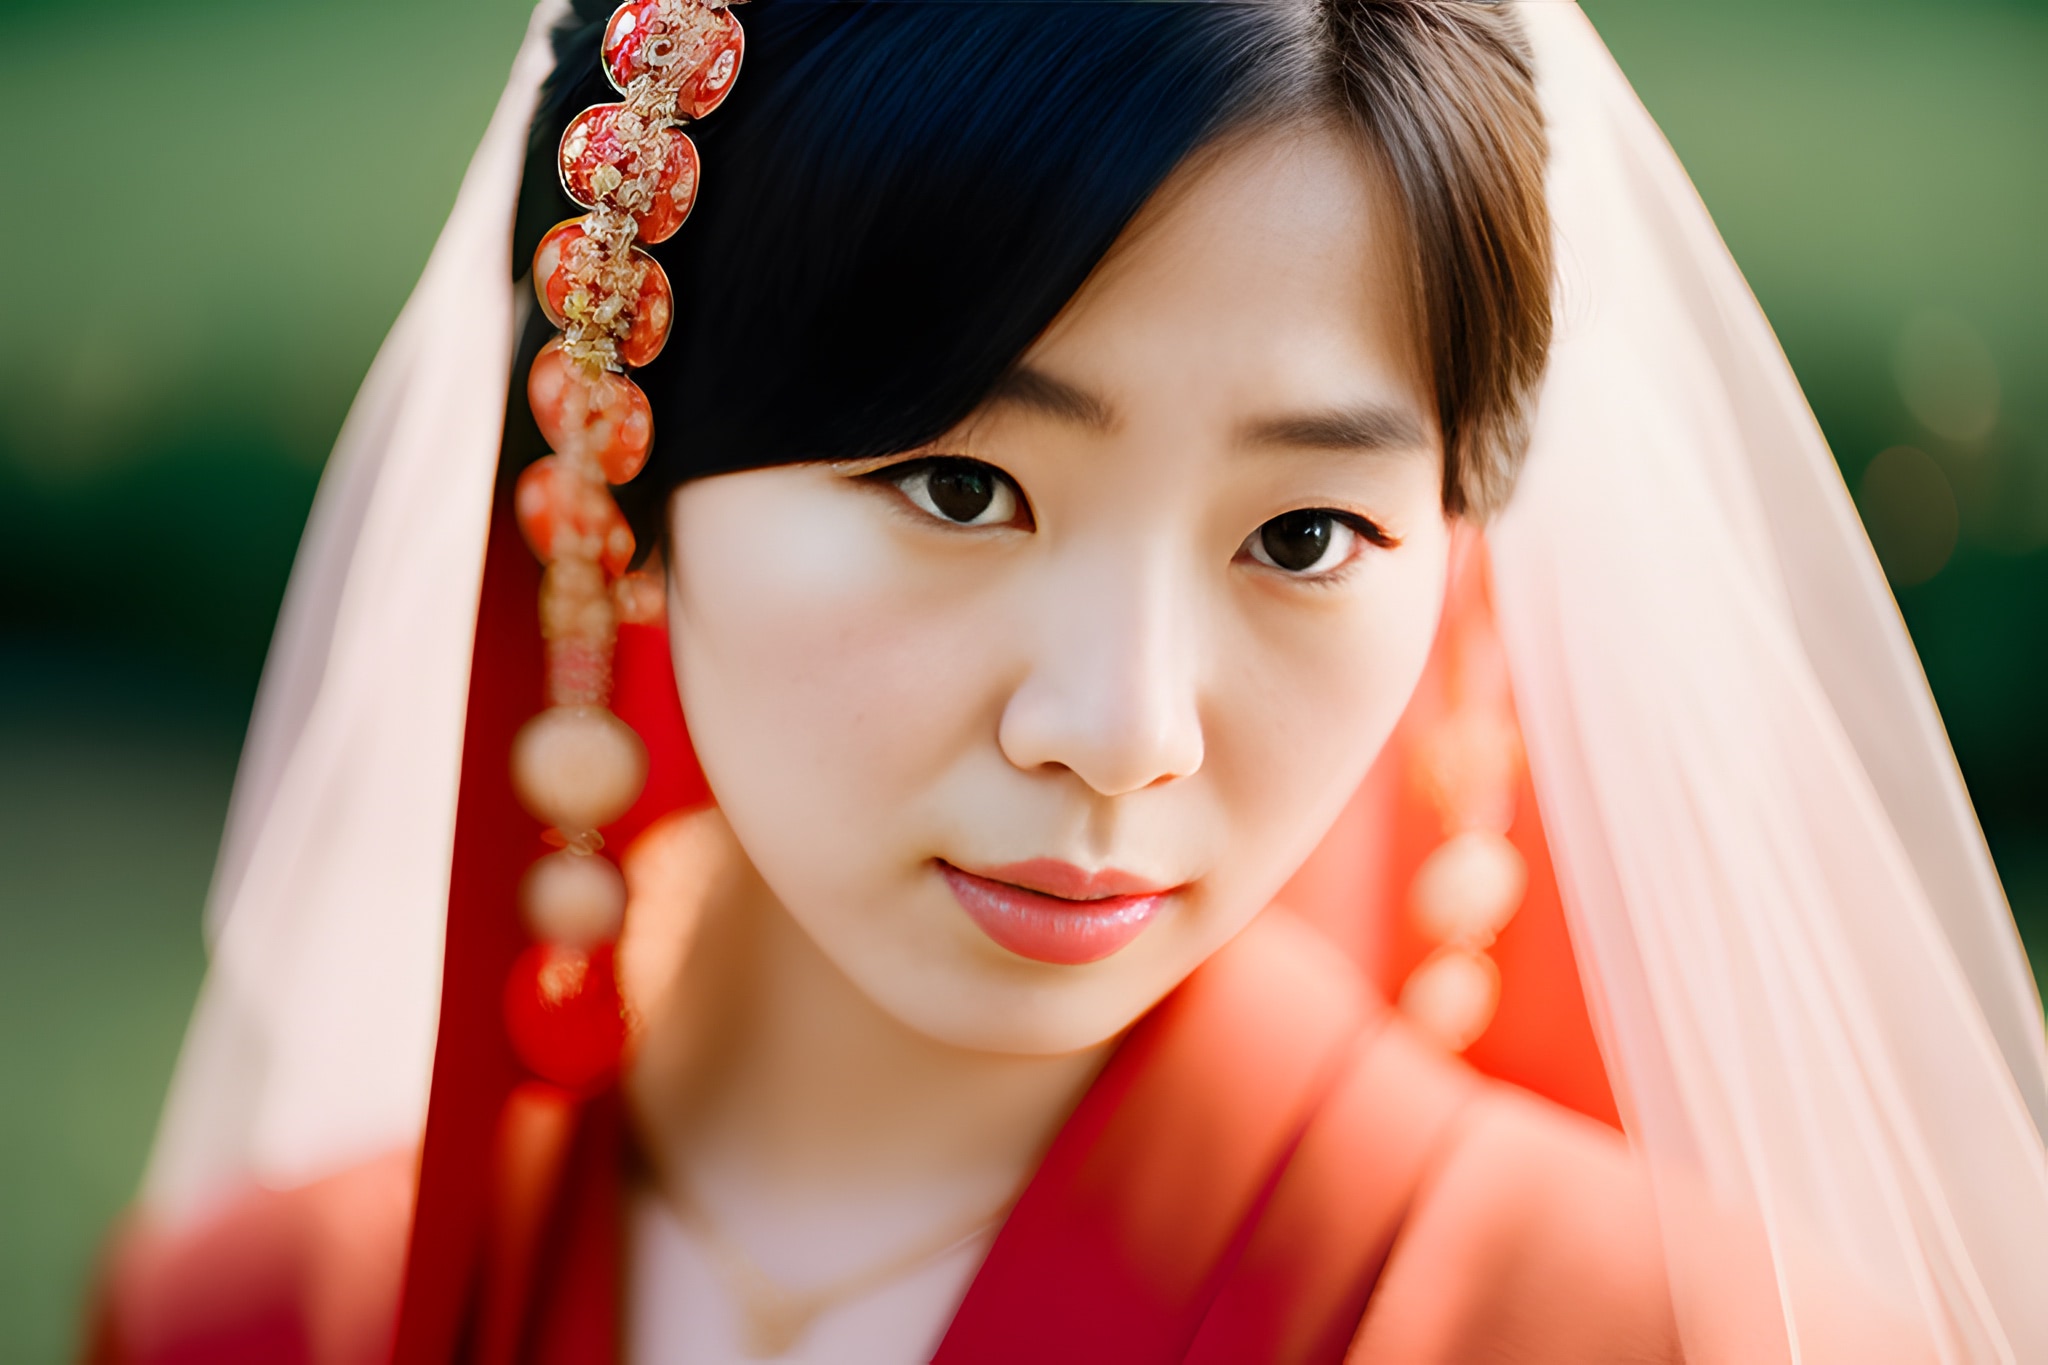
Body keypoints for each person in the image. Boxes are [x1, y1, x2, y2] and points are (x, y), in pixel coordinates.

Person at [87, 1, 2048, 1362]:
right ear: (619, 460)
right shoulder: (257, 1320)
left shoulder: (1675, 1336)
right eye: (960, 485)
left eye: (1302, 536)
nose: (1122, 728)